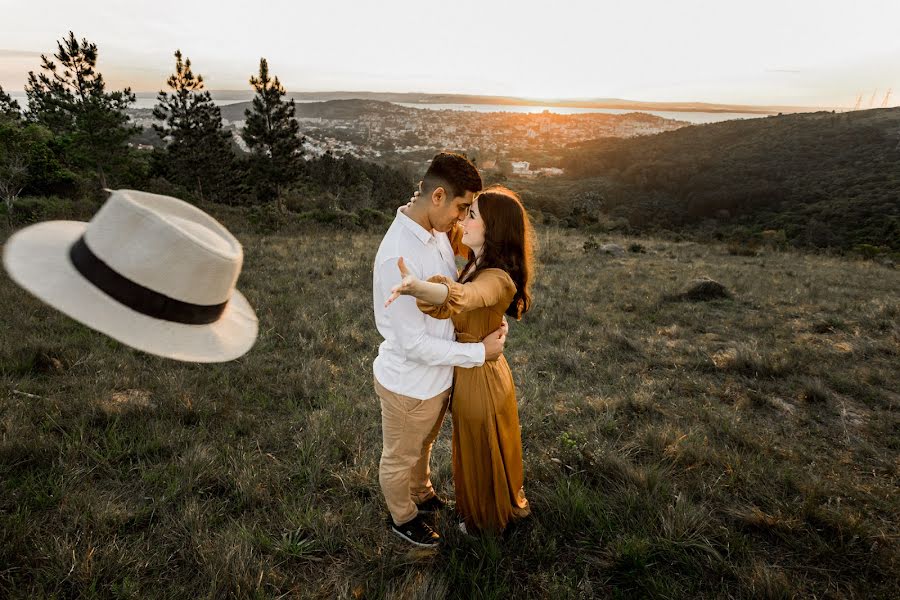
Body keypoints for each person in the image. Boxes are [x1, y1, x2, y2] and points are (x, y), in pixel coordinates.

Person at [372, 152, 508, 547]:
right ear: (438, 197)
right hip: (409, 384)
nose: (462, 218)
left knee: (424, 444)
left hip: (438, 378)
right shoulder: (398, 254)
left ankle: (422, 493)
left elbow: (452, 295)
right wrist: (477, 354)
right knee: (399, 455)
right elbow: (412, 343)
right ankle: (403, 517)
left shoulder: (435, 233)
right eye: (462, 207)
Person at [386, 185, 533, 535]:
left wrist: (418, 287)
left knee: (482, 450)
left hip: (482, 377)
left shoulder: (495, 278)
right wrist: (412, 209)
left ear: (492, 229)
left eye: (472, 215)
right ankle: (491, 510)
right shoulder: (477, 259)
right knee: (478, 446)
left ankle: (486, 522)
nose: (462, 220)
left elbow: (466, 296)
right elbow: (443, 229)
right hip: (473, 369)